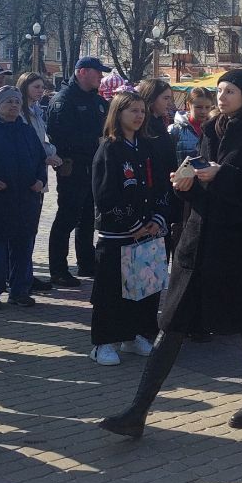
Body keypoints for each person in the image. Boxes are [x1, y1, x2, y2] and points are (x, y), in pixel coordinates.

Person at [98, 69, 242, 438]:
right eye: (219, 90)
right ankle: (137, 411)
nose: (221, 97)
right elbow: (199, 180)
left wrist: (221, 174)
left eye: (229, 91)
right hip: (199, 241)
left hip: (240, 247)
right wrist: (184, 185)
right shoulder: (213, 130)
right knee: (172, 324)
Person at [87, 91, 173, 365]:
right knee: (111, 292)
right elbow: (105, 195)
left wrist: (158, 217)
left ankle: (133, 335)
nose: (138, 116)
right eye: (132, 111)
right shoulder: (109, 149)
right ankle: (102, 343)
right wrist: (132, 223)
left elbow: (160, 185)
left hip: (147, 232)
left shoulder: (147, 147)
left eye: (141, 111)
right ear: (118, 113)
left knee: (144, 288)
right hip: (118, 233)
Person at [0, 85, 47, 311]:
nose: (14, 106)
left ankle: (20, 290)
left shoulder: (26, 131)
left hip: (25, 199)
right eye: (8, 102)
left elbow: (40, 159)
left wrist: (40, 180)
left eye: (16, 102)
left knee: (23, 247)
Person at [46, 57, 111, 286]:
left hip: (92, 167)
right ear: (82, 72)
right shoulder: (64, 100)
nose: (101, 77)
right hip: (72, 167)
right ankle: (58, 269)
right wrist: (95, 140)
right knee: (67, 218)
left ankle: (86, 262)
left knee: (86, 218)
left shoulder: (97, 101)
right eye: (97, 72)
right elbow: (60, 135)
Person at [168, 86, 213, 165]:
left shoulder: (215, 128)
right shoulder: (175, 130)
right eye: (199, 107)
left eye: (207, 107)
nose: (203, 111)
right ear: (188, 105)